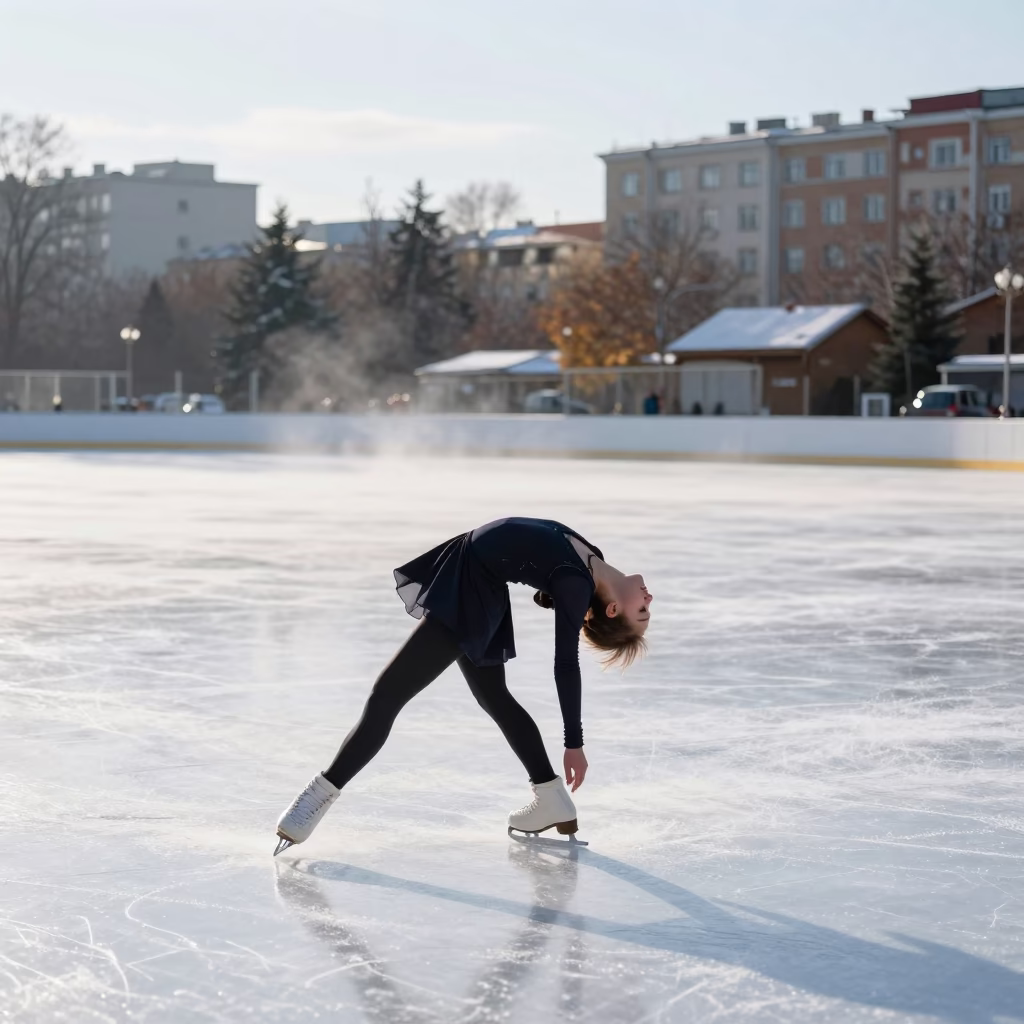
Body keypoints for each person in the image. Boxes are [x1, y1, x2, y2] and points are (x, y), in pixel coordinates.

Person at [274, 517, 653, 853]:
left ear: (614, 610)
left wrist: (575, 742)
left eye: (643, 612)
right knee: (495, 698)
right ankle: (551, 795)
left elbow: (566, 665)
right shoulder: (592, 557)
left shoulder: (576, 584)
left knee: (387, 695)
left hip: (472, 594)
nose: (649, 600)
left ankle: (315, 800)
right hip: (476, 582)